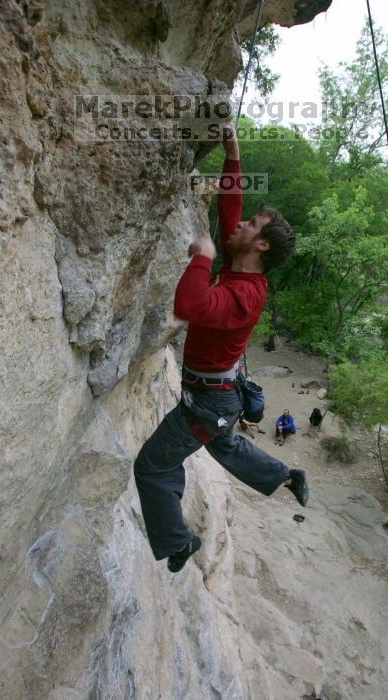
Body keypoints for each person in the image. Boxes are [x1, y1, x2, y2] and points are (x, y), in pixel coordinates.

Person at [133, 123, 309, 574]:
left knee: (153, 465)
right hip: (218, 395)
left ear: (261, 245)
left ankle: (177, 542)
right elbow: (231, 206)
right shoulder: (241, 259)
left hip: (209, 400)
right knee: (225, 447)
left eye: (252, 225)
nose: (242, 223)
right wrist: (233, 152)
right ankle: (286, 476)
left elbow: (188, 304)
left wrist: (203, 255)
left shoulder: (246, 293)